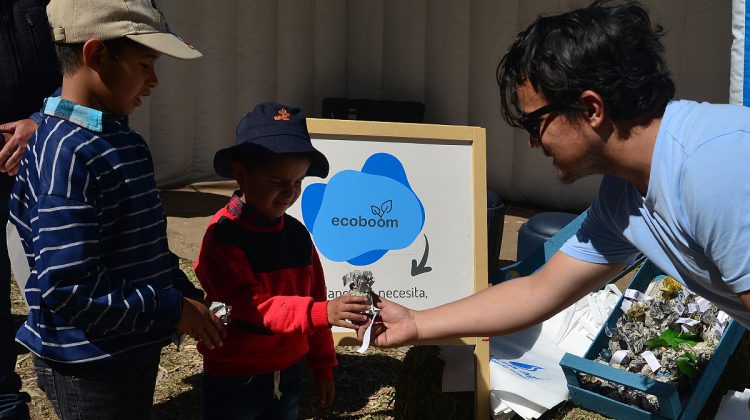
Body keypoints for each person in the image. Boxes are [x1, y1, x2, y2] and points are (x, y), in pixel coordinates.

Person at [361, 0, 750, 348]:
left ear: (591, 109)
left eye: (535, 124)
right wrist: (416, 322)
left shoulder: (713, 167)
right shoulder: (624, 194)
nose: (533, 143)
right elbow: (538, 291)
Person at [7, 1, 227, 418]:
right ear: (95, 55)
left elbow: (142, 245)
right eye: (145, 64)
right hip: (89, 367)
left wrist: (183, 295)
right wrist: (171, 308)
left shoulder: (123, 142)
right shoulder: (66, 153)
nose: (154, 80)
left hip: (132, 346)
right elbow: (67, 287)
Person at [194, 101, 370, 420]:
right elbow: (254, 307)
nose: (289, 192)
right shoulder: (223, 237)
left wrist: (323, 365)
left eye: (298, 182)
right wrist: (322, 313)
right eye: (277, 182)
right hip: (235, 375)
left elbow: (314, 298)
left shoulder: (298, 236)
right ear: (241, 174)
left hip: (289, 370)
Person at [0, 0, 61, 418]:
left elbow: (106, 73)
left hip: (58, 161)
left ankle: (80, 389)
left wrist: (45, 117)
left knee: (66, 276)